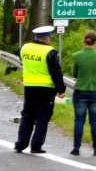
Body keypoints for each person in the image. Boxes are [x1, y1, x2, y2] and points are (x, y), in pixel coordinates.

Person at [14, 26, 66, 154]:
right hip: (46, 89)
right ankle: (36, 146)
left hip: (30, 87)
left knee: (27, 115)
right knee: (43, 117)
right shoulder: (50, 52)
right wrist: (61, 89)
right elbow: (56, 73)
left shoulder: (24, 48)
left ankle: (20, 144)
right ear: (47, 38)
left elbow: (22, 60)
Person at [70, 30, 96, 157]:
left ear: (84, 41)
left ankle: (76, 148)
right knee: (95, 120)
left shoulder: (76, 56)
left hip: (81, 89)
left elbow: (74, 73)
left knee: (79, 120)